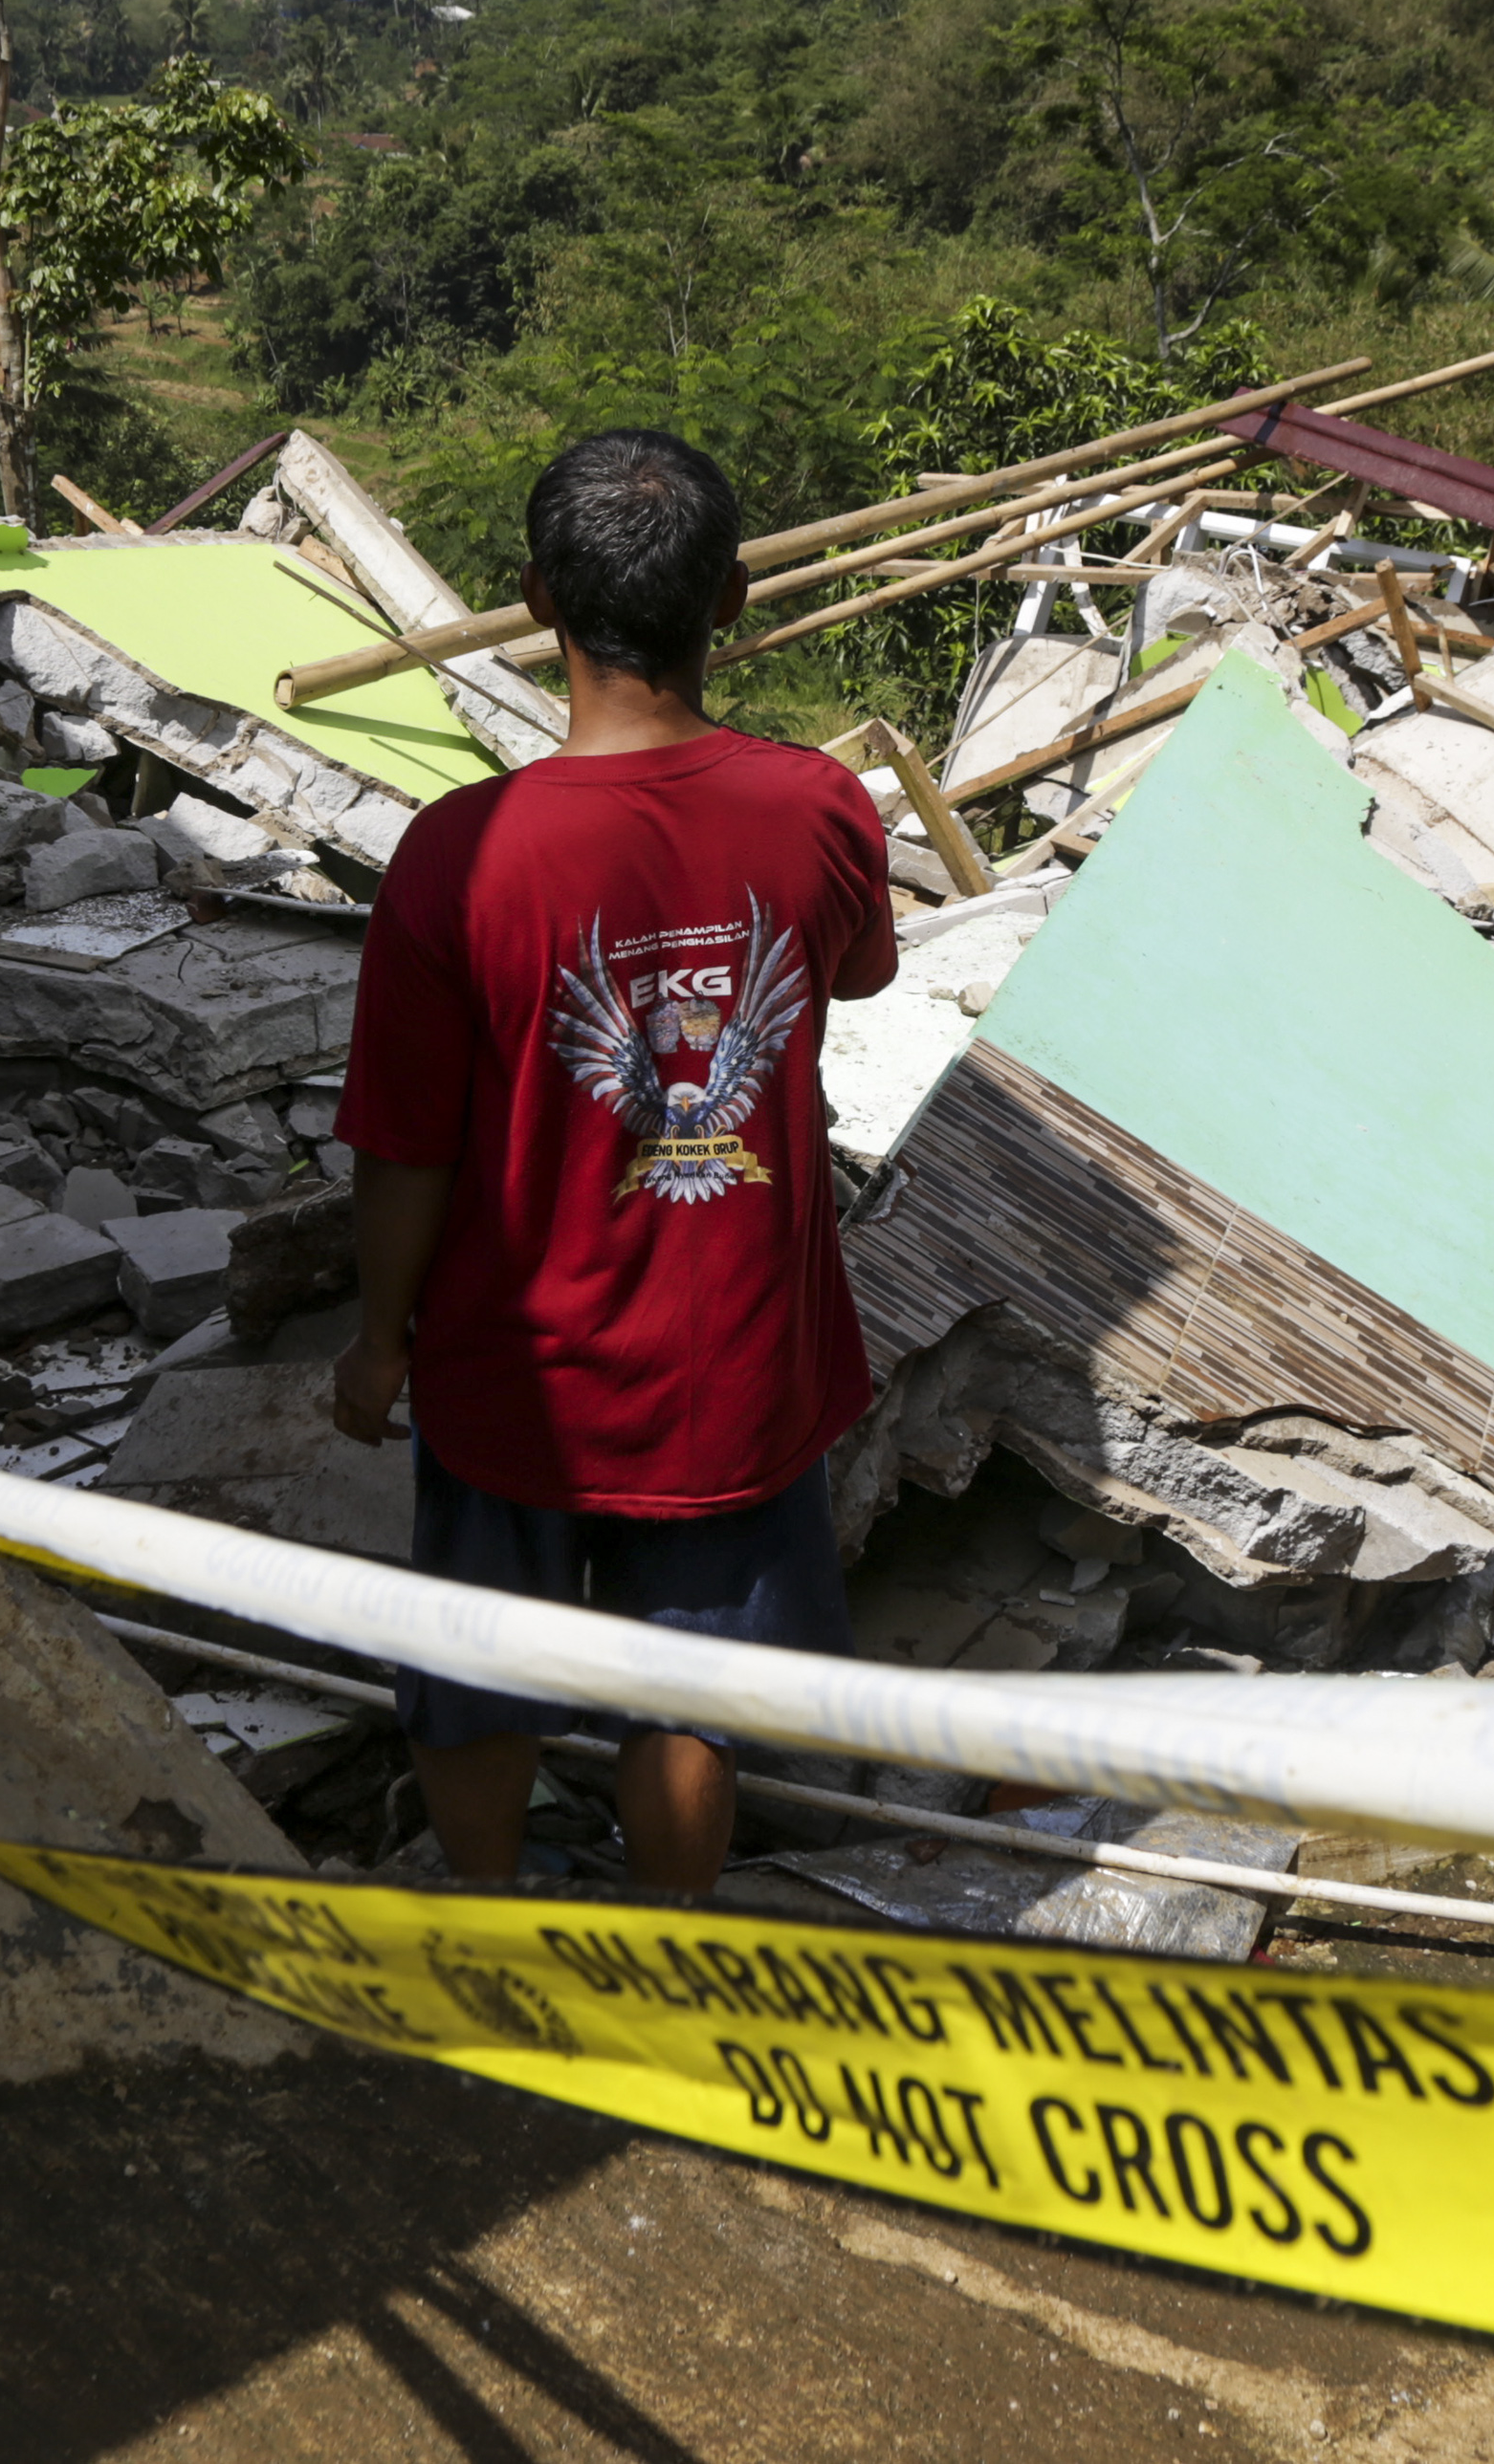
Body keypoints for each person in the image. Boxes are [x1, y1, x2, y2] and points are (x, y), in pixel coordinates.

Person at [324, 429, 897, 1897]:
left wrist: (381, 1340)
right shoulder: (818, 808)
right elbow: (865, 975)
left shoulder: (457, 855)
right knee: (688, 1684)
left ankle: (490, 1923)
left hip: (516, 1363)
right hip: (735, 1353)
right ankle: (671, 1937)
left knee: (478, 1662)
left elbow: (404, 1146)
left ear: (533, 601)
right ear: (735, 601)